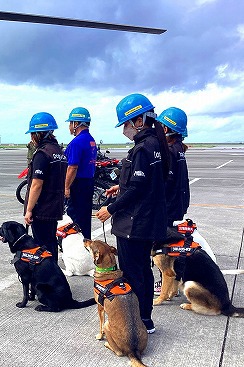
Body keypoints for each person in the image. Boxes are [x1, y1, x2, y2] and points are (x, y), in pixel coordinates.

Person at [95, 93, 170, 334]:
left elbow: (138, 188)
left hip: (134, 224)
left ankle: (136, 321)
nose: (124, 129)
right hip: (148, 221)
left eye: (125, 124)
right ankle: (146, 320)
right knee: (144, 272)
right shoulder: (157, 145)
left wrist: (111, 208)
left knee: (133, 273)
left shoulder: (142, 148)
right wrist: (121, 186)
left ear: (139, 121)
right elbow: (148, 183)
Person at [154, 107, 190, 295]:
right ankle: (172, 284)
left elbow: (164, 183)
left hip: (167, 207)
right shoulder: (179, 149)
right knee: (172, 248)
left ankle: (165, 285)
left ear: (167, 130)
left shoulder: (168, 151)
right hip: (178, 204)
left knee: (164, 250)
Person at [23, 112, 67, 263]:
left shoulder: (42, 154)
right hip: (55, 206)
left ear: (38, 133)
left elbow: (36, 184)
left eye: (32, 134)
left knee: (42, 246)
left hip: (42, 208)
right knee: (51, 243)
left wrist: (29, 210)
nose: (31, 138)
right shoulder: (59, 152)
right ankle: (53, 274)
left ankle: (47, 278)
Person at [63, 107, 97, 239]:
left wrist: (66, 187)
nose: (69, 127)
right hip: (88, 183)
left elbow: (72, 167)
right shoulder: (91, 140)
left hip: (77, 184)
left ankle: (78, 247)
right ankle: (86, 241)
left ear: (76, 124)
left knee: (75, 219)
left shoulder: (76, 142)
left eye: (70, 123)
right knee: (84, 217)